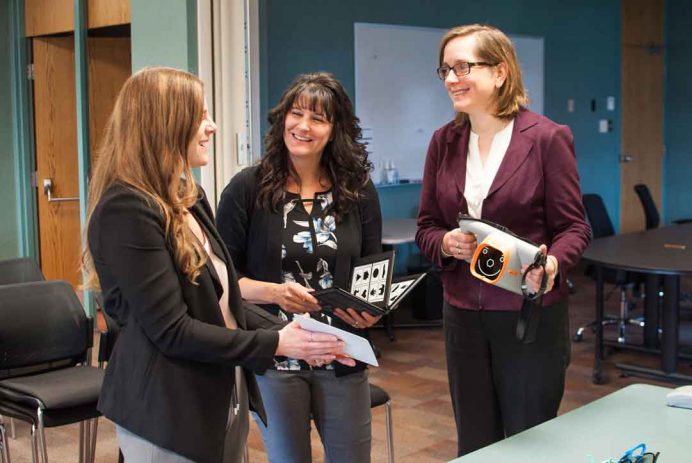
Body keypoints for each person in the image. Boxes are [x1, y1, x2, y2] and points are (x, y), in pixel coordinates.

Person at [84, 67, 350, 463]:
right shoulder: (127, 209)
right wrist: (278, 342)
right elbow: (172, 331)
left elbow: (222, 301)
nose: (211, 127)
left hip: (218, 391)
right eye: (201, 116)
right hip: (166, 408)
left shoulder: (188, 195)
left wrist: (307, 340)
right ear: (167, 124)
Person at [415, 25, 591, 456]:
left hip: (527, 318)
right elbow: (426, 226)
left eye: (463, 67)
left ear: (500, 72)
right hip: (462, 318)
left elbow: (575, 228)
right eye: (445, 69)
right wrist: (445, 243)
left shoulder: (547, 138)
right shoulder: (444, 142)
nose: (452, 78)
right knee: (476, 444)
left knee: (529, 444)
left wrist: (551, 266)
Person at [216, 72, 382, 463]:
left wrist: (370, 309)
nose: (303, 126)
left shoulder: (357, 189)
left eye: (318, 118)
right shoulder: (247, 189)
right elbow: (220, 280)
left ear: (335, 130)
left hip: (343, 353)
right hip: (275, 354)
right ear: (282, 120)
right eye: (296, 114)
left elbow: (373, 266)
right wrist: (274, 292)